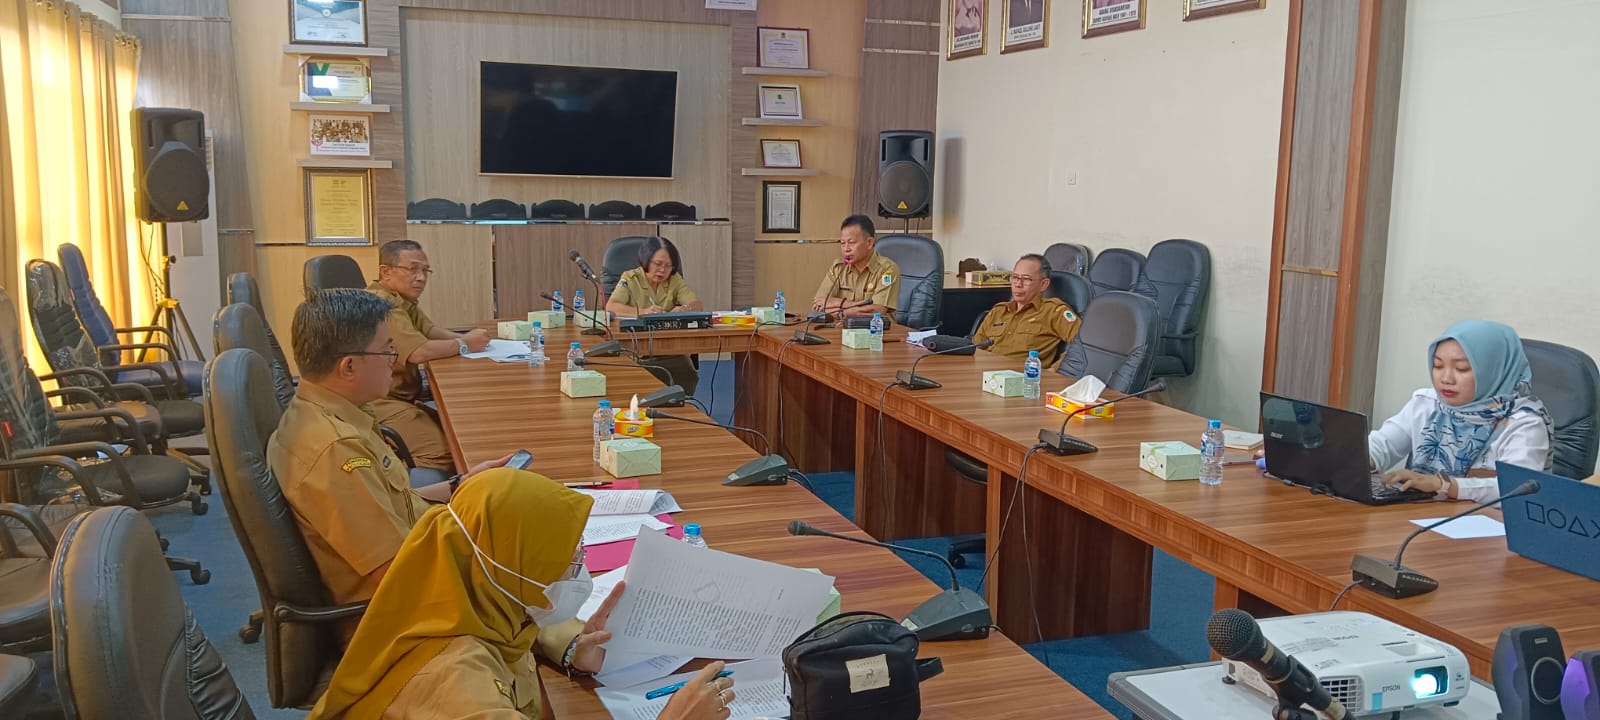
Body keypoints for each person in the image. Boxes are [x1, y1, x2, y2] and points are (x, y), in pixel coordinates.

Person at [308, 469, 736, 720]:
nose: (579, 571)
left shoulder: (448, 596)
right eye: (567, 561)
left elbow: (509, 627)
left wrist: (570, 646)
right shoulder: (460, 690)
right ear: (507, 571)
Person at [267, 289, 511, 643]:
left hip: (413, 571)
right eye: (386, 351)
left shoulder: (337, 414)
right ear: (348, 366)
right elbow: (399, 573)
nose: (395, 360)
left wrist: (460, 486)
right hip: (398, 622)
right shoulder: (336, 451)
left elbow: (391, 501)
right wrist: (491, 558)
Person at [1371, 320, 1553, 502]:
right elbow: (1383, 445)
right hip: (1414, 516)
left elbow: (1516, 487)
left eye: (1462, 368)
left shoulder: (1524, 424)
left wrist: (1444, 485)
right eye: (1438, 366)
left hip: (1485, 524)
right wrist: (1362, 458)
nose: (1446, 378)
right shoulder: (1427, 403)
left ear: (1493, 371)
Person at [366, 239, 492, 472]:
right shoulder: (381, 304)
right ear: (386, 272)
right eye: (413, 269)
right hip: (379, 402)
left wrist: (479, 342)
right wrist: (464, 344)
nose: (421, 278)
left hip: (401, 397)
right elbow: (418, 352)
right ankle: (385, 472)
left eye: (425, 271)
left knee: (462, 431)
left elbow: (430, 332)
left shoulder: (401, 300)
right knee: (448, 453)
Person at [605, 236, 704, 395]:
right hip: (636, 349)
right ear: (646, 260)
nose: (663, 270)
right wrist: (643, 312)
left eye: (668, 266)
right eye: (658, 264)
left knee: (686, 372)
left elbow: (697, 305)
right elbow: (611, 306)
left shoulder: (674, 280)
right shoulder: (630, 278)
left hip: (668, 348)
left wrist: (684, 308)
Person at [972, 254, 1082, 368]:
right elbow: (974, 348)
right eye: (1015, 277)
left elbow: (1083, 345)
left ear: (1043, 284)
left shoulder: (1053, 312)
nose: (1018, 284)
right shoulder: (998, 311)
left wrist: (1054, 372)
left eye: (1026, 279)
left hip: (1021, 380)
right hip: (986, 375)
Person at [812, 215, 900, 321]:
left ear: (869, 242)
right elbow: (818, 306)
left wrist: (839, 307)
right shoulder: (838, 268)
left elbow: (877, 311)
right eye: (843, 243)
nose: (846, 249)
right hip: (842, 331)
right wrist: (850, 308)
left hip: (877, 333)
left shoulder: (887, 270)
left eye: (851, 243)